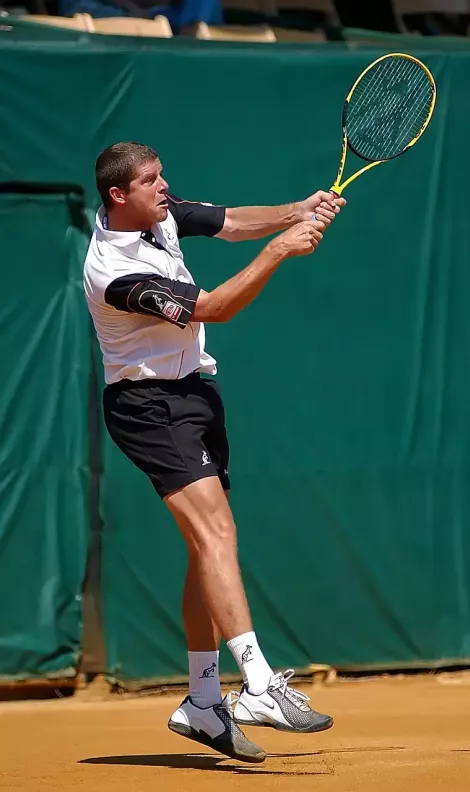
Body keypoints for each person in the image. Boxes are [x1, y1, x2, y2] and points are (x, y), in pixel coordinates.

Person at [83, 141, 345, 764]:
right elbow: (213, 309)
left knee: (206, 546)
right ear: (119, 196)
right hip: (149, 408)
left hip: (195, 394)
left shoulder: (159, 212)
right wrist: (281, 251)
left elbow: (227, 221)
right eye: (152, 181)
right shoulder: (113, 273)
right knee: (217, 533)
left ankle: (202, 700)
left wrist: (295, 210)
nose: (165, 186)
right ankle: (256, 684)